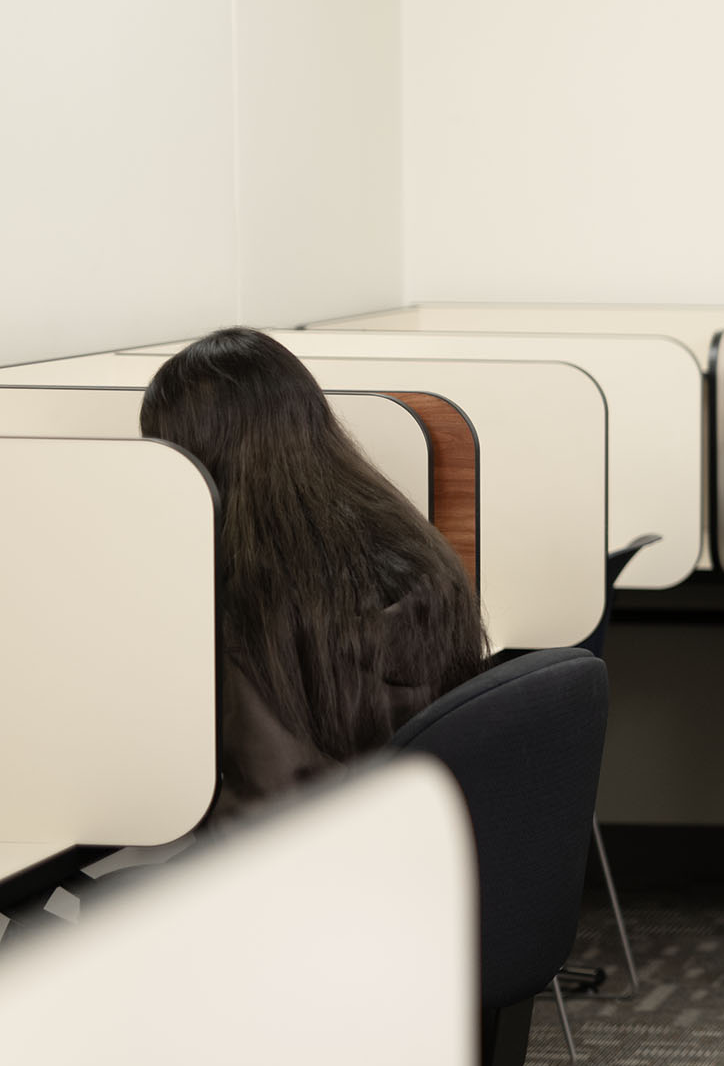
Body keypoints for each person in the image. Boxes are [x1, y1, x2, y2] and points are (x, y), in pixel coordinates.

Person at [137, 327, 486, 825]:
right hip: (414, 851)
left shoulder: (250, 612)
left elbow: (260, 813)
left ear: (202, 459)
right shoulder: (421, 557)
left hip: (306, 871)